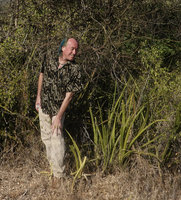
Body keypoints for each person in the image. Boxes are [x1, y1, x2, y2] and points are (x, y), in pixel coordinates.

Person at [35, 38, 82, 180]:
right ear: (63, 48)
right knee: (46, 138)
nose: (74, 52)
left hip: (57, 109)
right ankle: (53, 168)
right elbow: (41, 75)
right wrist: (38, 96)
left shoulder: (75, 69)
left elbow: (69, 96)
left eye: (76, 50)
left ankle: (59, 176)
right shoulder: (49, 58)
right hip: (44, 106)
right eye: (72, 48)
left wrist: (59, 117)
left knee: (57, 141)